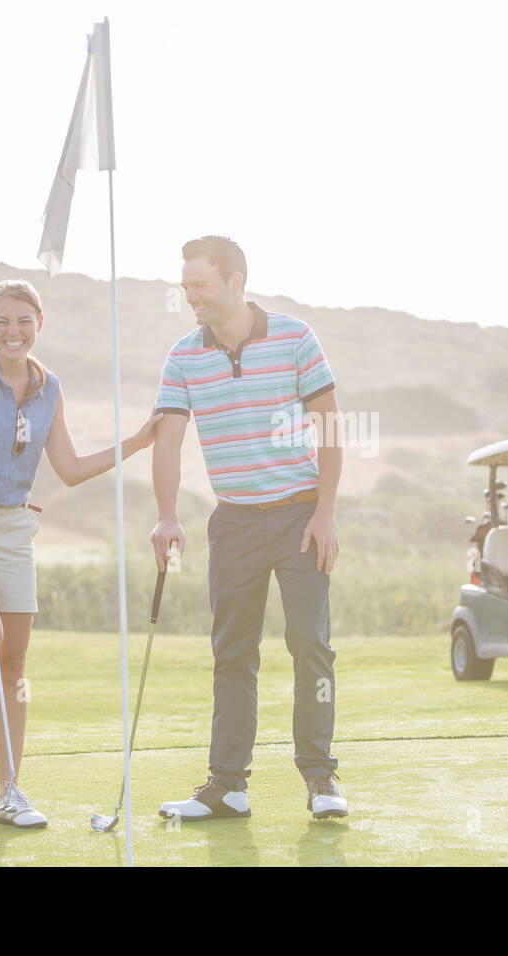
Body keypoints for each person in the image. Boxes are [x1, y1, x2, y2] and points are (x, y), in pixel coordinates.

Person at [0, 278, 160, 828]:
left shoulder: (50, 387)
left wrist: (138, 442)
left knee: (15, 660)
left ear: (39, 326)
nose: (13, 331)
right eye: (3, 320)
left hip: (11, 526)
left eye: (24, 321)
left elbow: (70, 470)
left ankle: (10, 794)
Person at [150, 236, 347, 821]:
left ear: (236, 281)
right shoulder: (184, 355)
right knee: (232, 652)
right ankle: (228, 784)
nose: (190, 297)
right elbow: (167, 437)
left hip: (299, 516)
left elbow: (330, 427)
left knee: (310, 643)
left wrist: (326, 510)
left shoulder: (293, 337)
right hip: (232, 520)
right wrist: (166, 515)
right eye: (185, 286)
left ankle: (320, 776)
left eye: (200, 285)